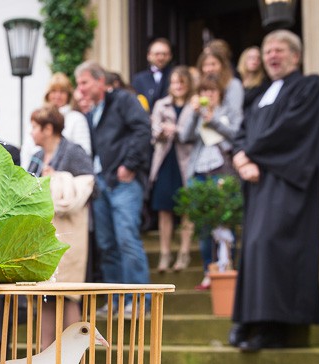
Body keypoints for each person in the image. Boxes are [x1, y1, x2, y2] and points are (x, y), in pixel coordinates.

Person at [230, 30, 319, 351]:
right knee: (254, 248)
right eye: (267, 51)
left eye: (279, 50)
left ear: (296, 56)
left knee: (273, 244)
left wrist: (250, 154)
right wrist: (240, 158)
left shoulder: (310, 87)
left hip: (288, 183)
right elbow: (242, 132)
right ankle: (249, 320)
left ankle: (275, 327)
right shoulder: (261, 95)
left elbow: (291, 130)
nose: (272, 55)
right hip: (258, 185)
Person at [75, 60, 152, 314]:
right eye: (78, 84)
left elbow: (143, 129)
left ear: (100, 80)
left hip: (123, 182)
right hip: (100, 184)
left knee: (127, 239)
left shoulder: (123, 100)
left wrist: (129, 164)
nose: (80, 88)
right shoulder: (91, 112)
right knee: (107, 245)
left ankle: (139, 301)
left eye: (84, 82)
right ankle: (116, 301)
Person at [27, 105, 94, 348]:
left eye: (35, 126)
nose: (32, 132)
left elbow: (89, 186)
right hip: (44, 235)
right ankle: (45, 354)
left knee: (68, 293)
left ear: (48, 129)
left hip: (69, 235)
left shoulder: (73, 151)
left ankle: (72, 355)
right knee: (46, 295)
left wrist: (57, 178)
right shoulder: (36, 156)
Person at [178, 75, 243, 289]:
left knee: (225, 223)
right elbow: (184, 136)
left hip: (222, 171)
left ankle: (228, 269)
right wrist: (195, 114)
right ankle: (209, 270)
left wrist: (213, 120)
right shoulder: (196, 111)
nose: (208, 95)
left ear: (220, 93)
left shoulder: (228, 111)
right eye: (204, 91)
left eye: (212, 91)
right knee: (203, 226)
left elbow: (236, 135)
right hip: (199, 173)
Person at [149, 66, 194, 273]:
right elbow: (153, 131)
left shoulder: (194, 105)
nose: (178, 86)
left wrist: (176, 130)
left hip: (187, 161)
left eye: (181, 82)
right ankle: (165, 253)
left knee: (186, 208)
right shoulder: (161, 104)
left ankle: (184, 252)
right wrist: (161, 131)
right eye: (174, 82)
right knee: (164, 209)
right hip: (165, 161)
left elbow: (196, 133)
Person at [196, 47, 244, 115]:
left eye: (213, 64)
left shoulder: (234, 84)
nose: (209, 69)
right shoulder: (198, 85)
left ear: (222, 65)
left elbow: (235, 113)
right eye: (205, 65)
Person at [132, 38, 174, 113]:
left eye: (165, 54)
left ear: (170, 56)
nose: (161, 57)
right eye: (157, 54)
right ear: (149, 56)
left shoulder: (175, 76)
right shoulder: (139, 79)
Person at [237, 46, 270, 113]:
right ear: (244, 60)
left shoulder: (263, 83)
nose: (255, 60)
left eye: (258, 58)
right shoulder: (236, 79)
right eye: (251, 57)